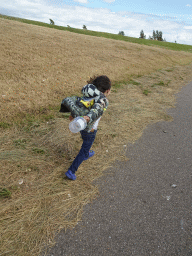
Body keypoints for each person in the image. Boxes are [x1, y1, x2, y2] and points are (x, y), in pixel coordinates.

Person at [60, 75, 111, 180]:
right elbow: (95, 111)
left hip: (80, 126)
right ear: (107, 91)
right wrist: (88, 118)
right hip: (90, 129)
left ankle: (87, 152)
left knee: (86, 142)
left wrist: (73, 116)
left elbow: (80, 107)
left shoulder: (88, 95)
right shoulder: (102, 100)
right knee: (85, 147)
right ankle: (71, 171)